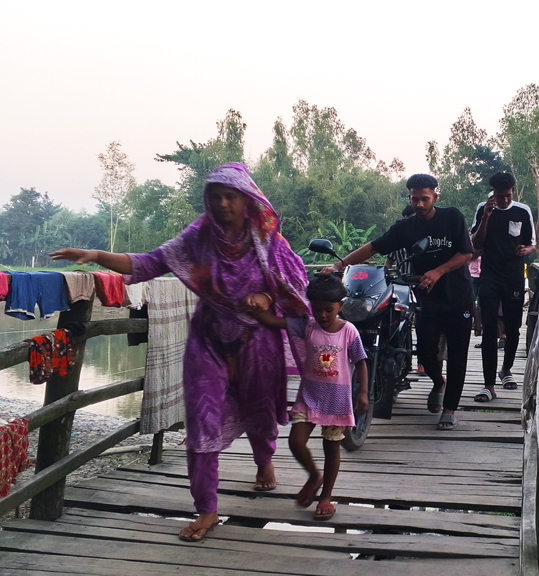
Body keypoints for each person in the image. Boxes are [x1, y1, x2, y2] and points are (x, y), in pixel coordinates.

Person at [50, 163, 309, 542]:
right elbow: (150, 263)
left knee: (260, 408)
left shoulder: (267, 238)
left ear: (246, 199)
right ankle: (206, 509)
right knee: (201, 421)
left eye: (230, 196)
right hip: (209, 339)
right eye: (215, 196)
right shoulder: (199, 236)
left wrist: (268, 297)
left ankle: (263, 460)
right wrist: (97, 254)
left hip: (258, 339)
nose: (222, 204)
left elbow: (295, 282)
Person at [328, 174, 473, 430]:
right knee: (427, 355)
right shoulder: (405, 228)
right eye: (414, 199)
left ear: (435, 197)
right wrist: (340, 265)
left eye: (424, 199)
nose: (419, 204)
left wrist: (439, 271)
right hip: (428, 301)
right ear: (409, 198)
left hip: (459, 298)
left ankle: (449, 409)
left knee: (459, 356)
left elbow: (466, 253)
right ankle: (439, 383)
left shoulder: (452, 218)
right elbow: (373, 247)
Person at [247, 274, 368, 520]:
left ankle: (326, 496)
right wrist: (257, 313)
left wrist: (364, 393)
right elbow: (276, 321)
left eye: (329, 310)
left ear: (340, 307)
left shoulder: (349, 331)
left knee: (331, 448)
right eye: (317, 309)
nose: (322, 315)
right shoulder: (308, 325)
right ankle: (314, 474)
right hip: (309, 396)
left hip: (337, 400)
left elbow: (361, 362)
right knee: (295, 442)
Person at [470, 172, 535, 402]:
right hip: (489, 277)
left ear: (513, 193)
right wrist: (487, 216)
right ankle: (488, 385)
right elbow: (475, 245)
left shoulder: (522, 211)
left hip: (514, 278)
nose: (504, 200)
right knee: (488, 330)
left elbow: (532, 245)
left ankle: (506, 370)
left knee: (513, 328)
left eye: (508, 196)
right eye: (500, 196)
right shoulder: (483, 208)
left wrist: (524, 251)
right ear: (493, 194)